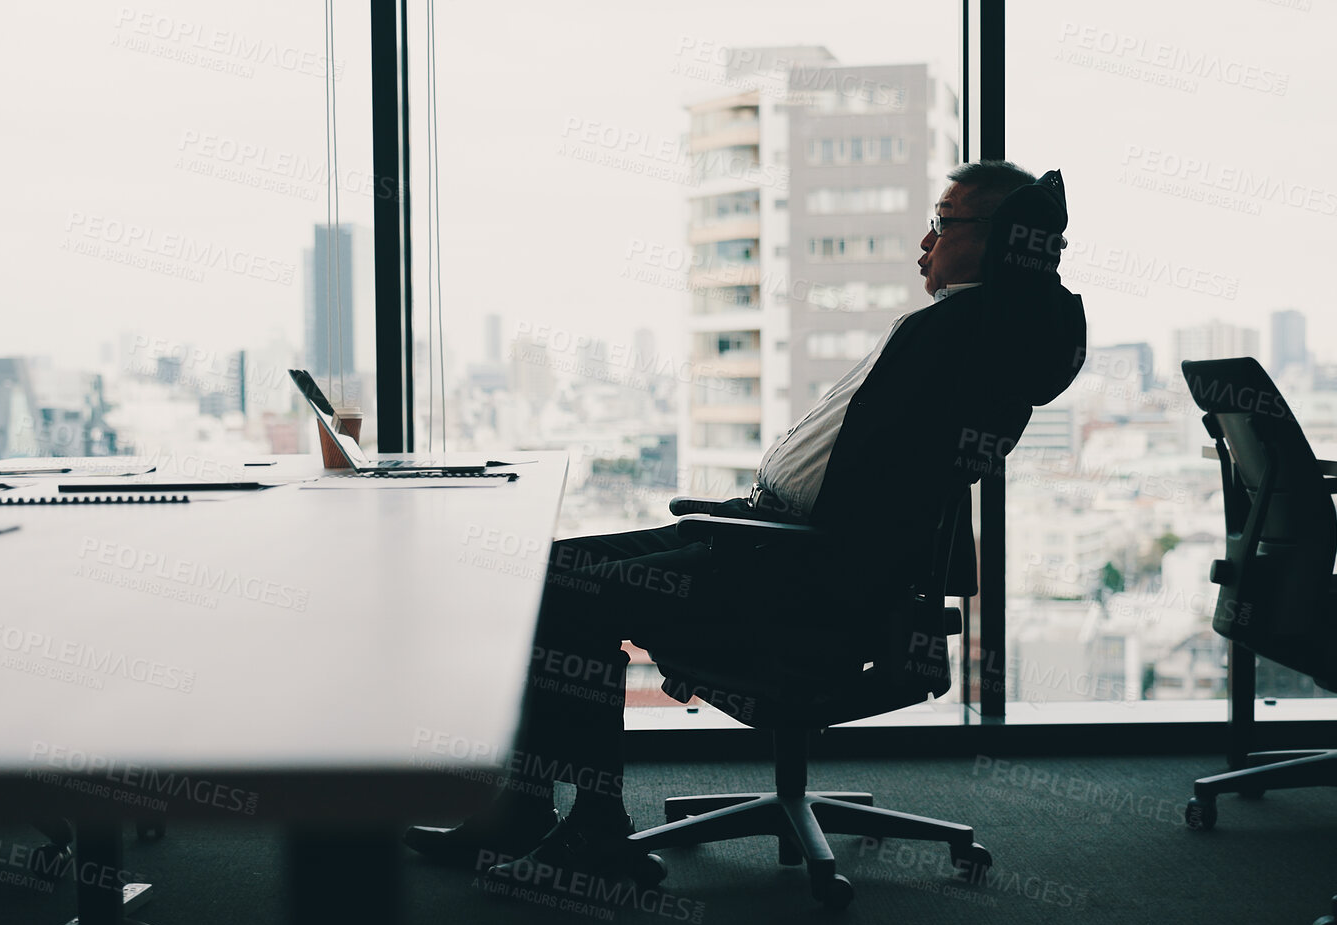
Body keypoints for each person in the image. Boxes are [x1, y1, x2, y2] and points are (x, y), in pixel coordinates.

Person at [406, 159, 1087, 880]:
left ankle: (595, 830)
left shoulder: (978, 336)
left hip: (797, 570)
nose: (924, 242)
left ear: (1002, 238)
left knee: (574, 596)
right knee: (545, 570)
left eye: (943, 222)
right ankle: (521, 808)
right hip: (761, 535)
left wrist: (1028, 239)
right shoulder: (951, 328)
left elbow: (1031, 338)